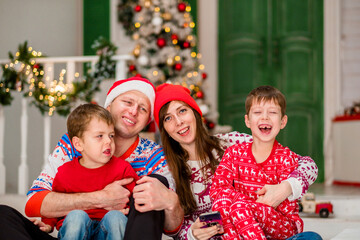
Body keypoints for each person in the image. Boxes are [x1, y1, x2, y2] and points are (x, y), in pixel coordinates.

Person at [0, 77, 183, 240]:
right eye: (127, 102)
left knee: (154, 184)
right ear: (109, 106)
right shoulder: (74, 142)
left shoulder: (154, 155)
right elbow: (34, 202)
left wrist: (171, 201)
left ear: (147, 121)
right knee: (3, 215)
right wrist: (100, 198)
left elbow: (172, 228)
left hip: (122, 232)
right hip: (75, 230)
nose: (133, 111)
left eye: (143, 109)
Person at [154, 83, 322, 240]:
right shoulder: (167, 169)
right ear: (164, 130)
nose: (178, 122)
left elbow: (308, 165)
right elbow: (173, 229)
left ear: (195, 113)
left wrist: (286, 187)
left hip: (264, 225)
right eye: (168, 118)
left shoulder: (231, 143)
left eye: (182, 111)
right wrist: (192, 234)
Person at [210, 85, 305, 239]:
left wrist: (245, 206)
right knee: (221, 204)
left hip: (283, 226)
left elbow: (285, 208)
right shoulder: (234, 153)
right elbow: (217, 190)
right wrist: (246, 204)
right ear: (247, 120)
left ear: (283, 121)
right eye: (257, 112)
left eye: (272, 112)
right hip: (243, 224)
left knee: (238, 207)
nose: (265, 117)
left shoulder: (287, 159)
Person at [41, 103, 139, 239]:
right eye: (100, 136)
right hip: (76, 231)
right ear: (78, 144)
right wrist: (47, 225)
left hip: (107, 232)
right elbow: (55, 204)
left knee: (116, 217)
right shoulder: (65, 172)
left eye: (111, 136)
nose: (108, 141)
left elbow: (137, 200)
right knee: (76, 216)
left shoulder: (123, 169)